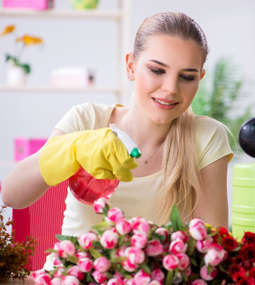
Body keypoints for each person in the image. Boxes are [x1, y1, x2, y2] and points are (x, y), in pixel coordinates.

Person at [2, 12, 233, 238]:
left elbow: (212, 247)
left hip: (161, 277)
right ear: (131, 66)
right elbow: (12, 195)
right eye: (157, 70)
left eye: (187, 76)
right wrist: (73, 147)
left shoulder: (206, 137)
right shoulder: (87, 120)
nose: (171, 88)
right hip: (72, 273)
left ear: (199, 78)